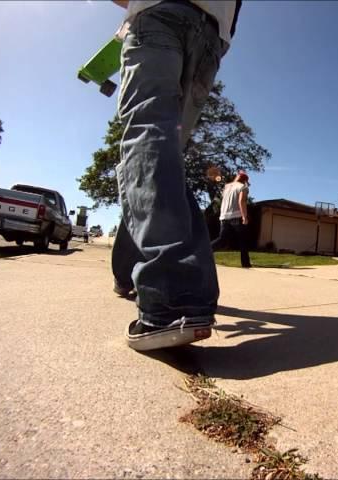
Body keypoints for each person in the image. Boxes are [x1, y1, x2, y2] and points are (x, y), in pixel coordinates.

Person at [110, 0, 242, 351]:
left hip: (160, 13)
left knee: (150, 136)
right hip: (213, 35)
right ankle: (128, 274)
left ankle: (173, 298)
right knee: (164, 154)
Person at [211, 171, 252, 268]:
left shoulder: (226, 187)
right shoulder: (243, 187)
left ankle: (204, 251)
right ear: (245, 181)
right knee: (243, 240)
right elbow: (241, 201)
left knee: (222, 240)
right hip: (236, 216)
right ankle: (245, 263)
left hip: (224, 216)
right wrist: (244, 217)